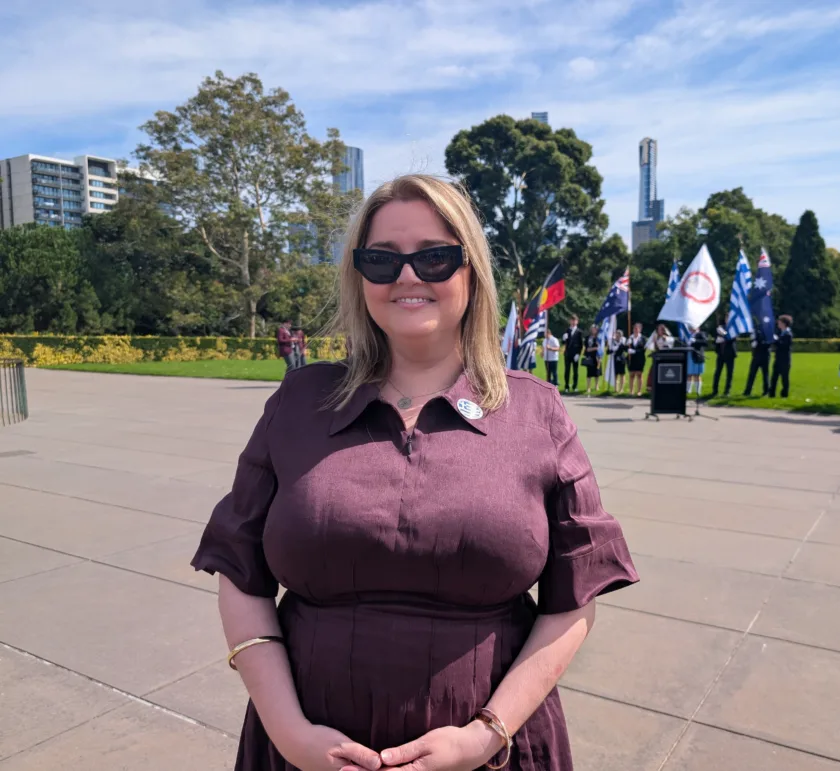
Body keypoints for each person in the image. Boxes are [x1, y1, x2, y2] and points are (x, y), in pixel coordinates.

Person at [191, 174, 639, 771]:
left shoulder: (536, 411)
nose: (407, 277)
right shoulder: (300, 401)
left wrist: (487, 734)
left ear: (470, 271)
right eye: (382, 260)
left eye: (434, 257)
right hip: (305, 749)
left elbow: (573, 598)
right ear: (360, 276)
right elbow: (240, 574)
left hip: (492, 751)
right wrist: (288, 731)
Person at [768, 315, 794, 398]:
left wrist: (776, 340)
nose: (778, 324)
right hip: (778, 358)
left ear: (784, 323)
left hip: (785, 360)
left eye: (780, 322)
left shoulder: (788, 334)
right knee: (774, 377)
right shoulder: (780, 333)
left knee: (784, 378)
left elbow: (783, 346)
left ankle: (784, 394)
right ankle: (771, 394)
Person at [710, 321, 737, 398]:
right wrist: (717, 339)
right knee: (717, 372)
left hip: (730, 354)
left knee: (729, 373)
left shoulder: (733, 328)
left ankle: (727, 391)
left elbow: (733, 339)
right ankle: (715, 390)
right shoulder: (720, 327)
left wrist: (724, 334)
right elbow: (715, 339)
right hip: (720, 354)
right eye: (726, 317)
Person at [744, 324, 770, 396]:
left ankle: (766, 391)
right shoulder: (756, 330)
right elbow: (753, 341)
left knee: (765, 374)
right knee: (752, 374)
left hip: (764, 355)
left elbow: (767, 343)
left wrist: (758, 342)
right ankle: (747, 391)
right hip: (756, 355)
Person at [562, 315, 583, 393]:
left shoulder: (579, 332)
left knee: (575, 371)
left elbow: (581, 344)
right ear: (570, 321)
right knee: (567, 371)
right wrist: (564, 339)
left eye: (575, 320)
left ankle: (575, 386)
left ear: (577, 321)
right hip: (568, 353)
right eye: (572, 320)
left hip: (575, 354)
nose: (573, 322)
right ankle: (566, 386)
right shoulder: (567, 330)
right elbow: (564, 343)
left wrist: (578, 354)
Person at [686, 324, 708, 396]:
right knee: (689, 374)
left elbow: (705, 342)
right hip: (689, 355)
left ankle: (698, 391)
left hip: (697, 356)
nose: (691, 328)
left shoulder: (701, 334)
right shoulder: (688, 335)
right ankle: (688, 390)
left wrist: (695, 341)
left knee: (696, 374)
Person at [626, 323, 647, 396]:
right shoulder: (630, 338)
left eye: (637, 328)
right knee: (631, 375)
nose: (635, 330)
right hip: (632, 359)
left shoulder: (643, 338)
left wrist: (635, 351)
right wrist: (627, 348)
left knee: (639, 374)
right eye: (634, 328)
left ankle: (639, 391)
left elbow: (644, 349)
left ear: (640, 329)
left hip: (640, 359)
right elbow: (626, 348)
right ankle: (631, 391)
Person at [582, 324, 601, 396]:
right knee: (589, 372)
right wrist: (594, 348)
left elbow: (600, 348)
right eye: (592, 329)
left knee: (597, 372)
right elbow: (587, 348)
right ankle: (588, 387)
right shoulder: (587, 338)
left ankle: (596, 386)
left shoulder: (598, 338)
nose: (593, 330)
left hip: (597, 356)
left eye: (595, 329)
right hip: (590, 357)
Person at [610, 328, 628, 394]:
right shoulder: (613, 342)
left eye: (618, 335)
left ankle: (621, 388)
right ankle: (616, 388)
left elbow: (626, 349)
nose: (617, 336)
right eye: (616, 335)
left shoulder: (623, 341)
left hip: (622, 359)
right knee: (615, 374)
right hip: (615, 359)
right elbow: (609, 351)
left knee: (622, 374)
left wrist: (623, 345)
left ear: (621, 336)